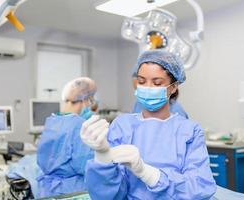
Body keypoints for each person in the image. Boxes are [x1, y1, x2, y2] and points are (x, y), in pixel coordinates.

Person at [81, 50, 216, 200]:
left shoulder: (190, 131)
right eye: (141, 81)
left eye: (157, 82)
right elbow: (107, 196)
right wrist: (102, 156)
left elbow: (200, 187)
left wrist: (148, 174)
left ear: (173, 87)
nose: (148, 88)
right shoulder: (122, 126)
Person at [36, 77, 97, 198]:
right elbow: (85, 166)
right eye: (92, 101)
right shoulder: (79, 125)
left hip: (47, 190)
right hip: (72, 192)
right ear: (86, 100)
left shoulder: (53, 121)